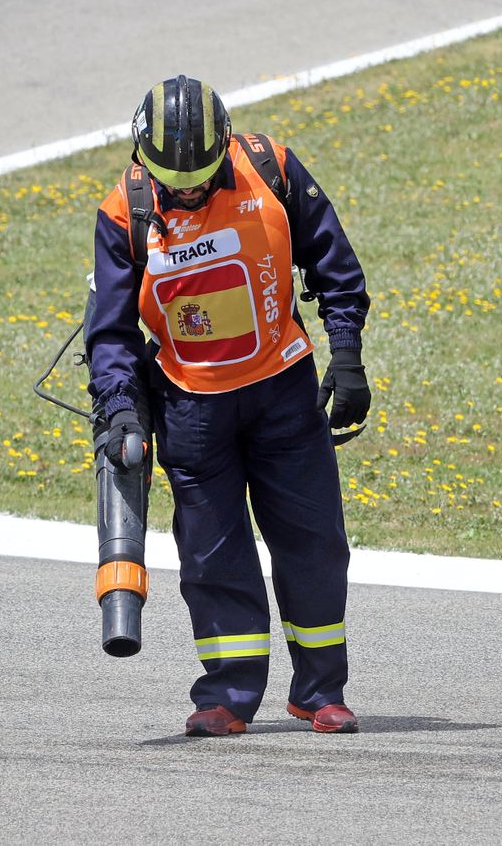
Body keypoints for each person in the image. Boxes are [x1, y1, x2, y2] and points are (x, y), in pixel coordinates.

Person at [86, 75, 371, 736]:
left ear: (224, 148)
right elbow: (110, 335)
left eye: (200, 176)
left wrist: (348, 355)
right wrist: (124, 411)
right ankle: (227, 695)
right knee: (215, 559)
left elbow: (333, 261)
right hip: (192, 410)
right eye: (170, 179)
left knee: (315, 545)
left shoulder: (270, 167)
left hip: (284, 394)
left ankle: (320, 690)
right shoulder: (122, 212)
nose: (185, 189)